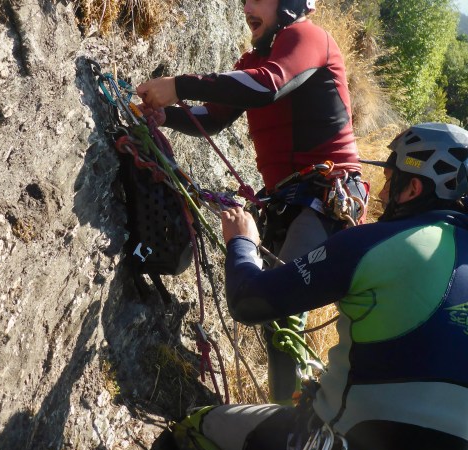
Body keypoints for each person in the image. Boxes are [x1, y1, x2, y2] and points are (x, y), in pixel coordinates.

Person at [171, 123, 468, 450]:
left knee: (199, 427)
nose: (382, 195)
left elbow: (248, 301)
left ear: (413, 187)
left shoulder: (382, 242)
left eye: (390, 181)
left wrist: (242, 242)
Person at [137, 0, 366, 403]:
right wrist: (166, 117)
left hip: (326, 196)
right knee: (277, 318)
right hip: (293, 200)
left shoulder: (307, 37)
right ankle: (286, 418)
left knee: (279, 311)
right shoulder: (258, 61)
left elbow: (267, 86)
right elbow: (215, 115)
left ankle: (288, 429)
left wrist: (177, 86)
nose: (247, 6)